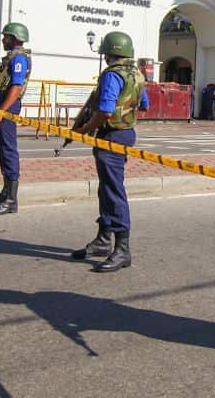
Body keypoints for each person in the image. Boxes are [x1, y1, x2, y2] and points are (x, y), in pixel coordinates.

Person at [70, 31, 149, 272]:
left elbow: (104, 111)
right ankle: (103, 239)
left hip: (110, 136)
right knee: (107, 187)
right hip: (125, 133)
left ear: (109, 54)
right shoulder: (137, 74)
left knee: (113, 189)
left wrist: (85, 130)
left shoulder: (112, 75)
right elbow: (144, 105)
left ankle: (122, 248)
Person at [0, 23, 32, 215]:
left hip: (8, 105)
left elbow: (16, 88)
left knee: (8, 148)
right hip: (2, 103)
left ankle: (11, 199)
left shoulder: (19, 58)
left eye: (6, 37)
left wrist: (1, 111)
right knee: (2, 148)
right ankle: (5, 192)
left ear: (16, 38)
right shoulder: (10, 57)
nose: (3, 40)